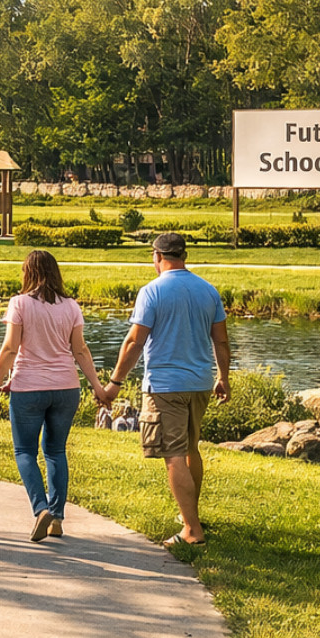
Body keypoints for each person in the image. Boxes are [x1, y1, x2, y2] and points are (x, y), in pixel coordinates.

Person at [101, 232, 231, 548]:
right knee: (191, 448)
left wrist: (115, 383)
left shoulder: (152, 291)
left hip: (164, 387)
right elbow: (222, 341)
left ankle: (191, 529)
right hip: (200, 383)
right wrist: (223, 378)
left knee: (172, 454)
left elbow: (134, 341)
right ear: (183, 256)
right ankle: (192, 515)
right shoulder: (208, 290)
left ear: (157, 256)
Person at [0, 250, 106, 541]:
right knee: (55, 451)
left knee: (24, 451)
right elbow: (80, 350)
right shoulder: (71, 306)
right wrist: (98, 387)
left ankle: (41, 508)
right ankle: (56, 519)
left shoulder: (20, 304)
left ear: (27, 273)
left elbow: (10, 349)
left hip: (29, 388)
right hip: (66, 387)